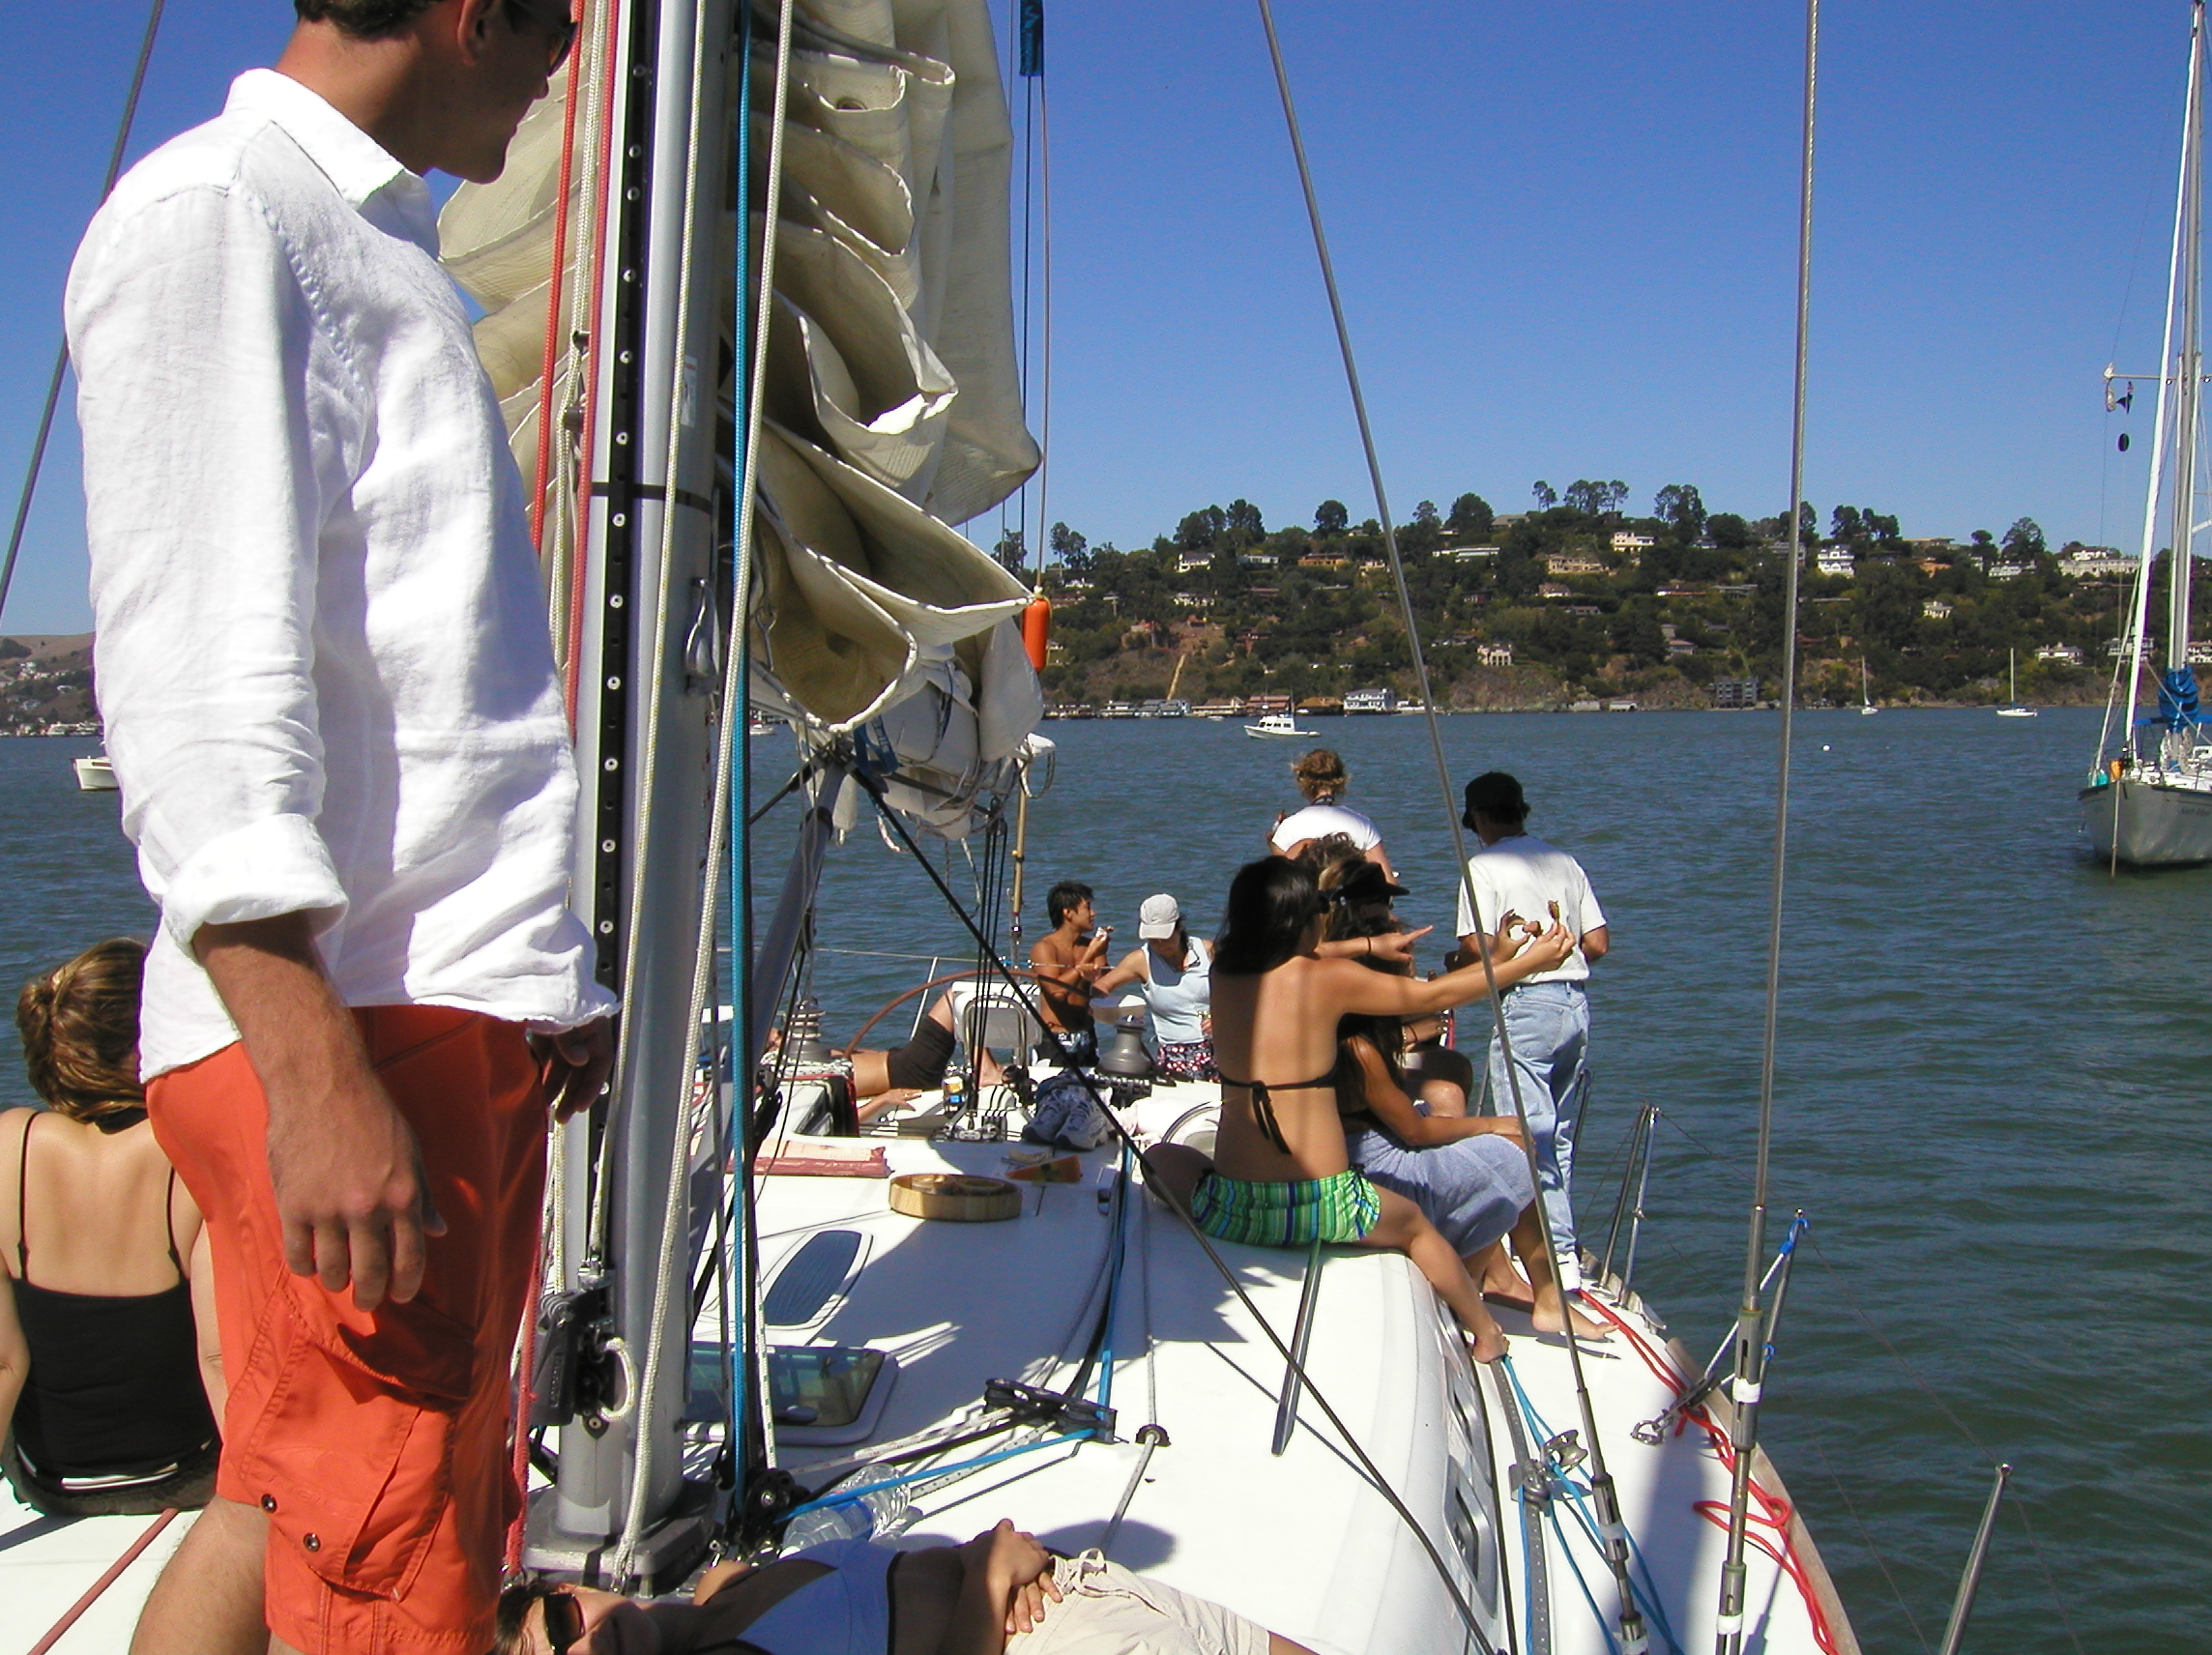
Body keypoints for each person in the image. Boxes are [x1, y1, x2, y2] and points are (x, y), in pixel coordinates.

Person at [70, 6, 615, 1652]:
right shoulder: (226, 212)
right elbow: (192, 672)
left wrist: (541, 979)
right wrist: (313, 1072)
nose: (571, 48)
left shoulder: (357, 241)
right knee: (398, 1562)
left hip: (426, 1009)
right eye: (554, 16)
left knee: (314, 1492)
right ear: (465, 13)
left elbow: (418, 681)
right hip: (359, 1025)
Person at [1143, 857, 1573, 1363]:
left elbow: (1281, 950)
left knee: (1161, 1158)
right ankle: (1486, 1332)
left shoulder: (1224, 972)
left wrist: (1367, 945)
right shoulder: (1327, 979)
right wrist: (1528, 963)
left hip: (1236, 1205)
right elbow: (1436, 993)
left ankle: (1486, 1326)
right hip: (1325, 1204)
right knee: (1416, 1228)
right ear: (1304, 917)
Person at [1, 940, 225, 1517]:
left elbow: (5, 1363)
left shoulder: (11, 1143)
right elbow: (217, 1359)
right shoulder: (185, 1151)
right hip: (181, 1473)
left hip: (52, 1481)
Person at [1324, 925, 1607, 1342]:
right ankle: (1498, 1288)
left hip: (1371, 1149)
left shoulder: (1344, 1026)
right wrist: (1492, 1123)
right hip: (1378, 1169)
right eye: (1405, 961)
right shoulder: (1359, 1049)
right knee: (1512, 1148)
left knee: (1498, 1141)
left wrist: (1500, 957)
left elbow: (1443, 994)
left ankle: (1527, 1290)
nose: (1413, 966)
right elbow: (1415, 1132)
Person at [493, 1519, 1317, 1654]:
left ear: (567, 1589)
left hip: (1086, 1588)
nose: (584, 1646)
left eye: (559, 1625)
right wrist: (989, 1572)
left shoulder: (721, 1588)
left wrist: (984, 1556)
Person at [1453, 771, 1610, 1291]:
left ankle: (1553, 1255)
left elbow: (1476, 946)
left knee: (1524, 1134)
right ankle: (1561, 1242)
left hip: (1525, 1004)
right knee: (1555, 1134)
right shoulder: (1564, 861)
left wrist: (1487, 960)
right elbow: (1598, 943)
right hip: (1574, 1005)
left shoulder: (1483, 866)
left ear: (1478, 818)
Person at [1091, 893, 1216, 1081]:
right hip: (1175, 1055)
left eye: (1164, 937)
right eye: (1153, 939)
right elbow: (1101, 988)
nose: (1159, 945)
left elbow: (1239, 992)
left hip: (1221, 1046)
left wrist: (1220, 1015)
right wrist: (1108, 1010)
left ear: (1179, 927)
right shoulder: (1140, 960)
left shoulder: (1207, 951)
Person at [843, 989, 1007, 1122]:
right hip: (909, 1072)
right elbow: (841, 1121)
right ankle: (986, 1071)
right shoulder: (825, 1081)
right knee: (956, 997)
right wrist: (883, 1099)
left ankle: (988, 1067)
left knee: (960, 997)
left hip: (902, 1063)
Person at [1267, 749, 1392, 876]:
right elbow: (1388, 879)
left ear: (1303, 781)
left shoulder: (1289, 826)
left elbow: (1282, 880)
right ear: (1342, 780)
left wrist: (1274, 843)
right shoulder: (1363, 824)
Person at [1029, 881, 1111, 1065]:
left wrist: (1101, 950)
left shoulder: (1088, 945)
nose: (1093, 913)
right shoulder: (1045, 948)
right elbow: (1057, 993)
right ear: (1068, 913)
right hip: (1055, 1038)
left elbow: (1102, 985)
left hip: (1086, 1035)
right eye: (1087, 908)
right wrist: (1088, 956)